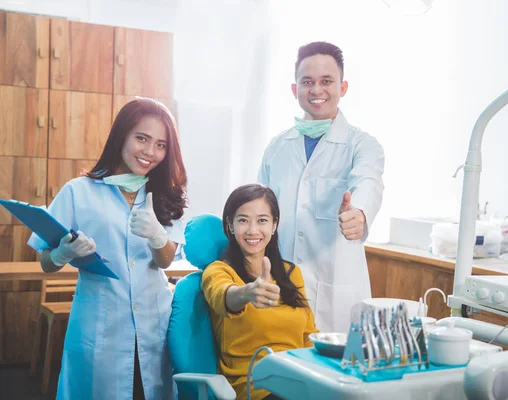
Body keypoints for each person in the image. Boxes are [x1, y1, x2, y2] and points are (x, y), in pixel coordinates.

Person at [28, 98, 188, 400]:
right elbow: (45, 262)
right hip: (100, 324)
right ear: (121, 136)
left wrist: (156, 235)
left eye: (160, 145)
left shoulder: (165, 195)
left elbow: (166, 260)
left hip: (153, 325)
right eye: (141, 138)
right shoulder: (78, 192)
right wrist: (62, 253)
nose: (149, 152)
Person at [258, 41, 385, 333]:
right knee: (284, 370)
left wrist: (360, 213)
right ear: (295, 90)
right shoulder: (277, 147)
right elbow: (258, 208)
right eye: (307, 82)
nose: (317, 90)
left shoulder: (362, 145)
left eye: (327, 81)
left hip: (334, 296)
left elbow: (369, 181)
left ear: (343, 87)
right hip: (281, 287)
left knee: (334, 372)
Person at [202, 184, 318, 400]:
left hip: (301, 380)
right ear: (230, 225)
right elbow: (223, 296)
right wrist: (247, 293)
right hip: (256, 387)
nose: (253, 230)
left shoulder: (291, 273)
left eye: (262, 220)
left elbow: (309, 335)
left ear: (274, 225)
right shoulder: (218, 271)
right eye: (243, 220)